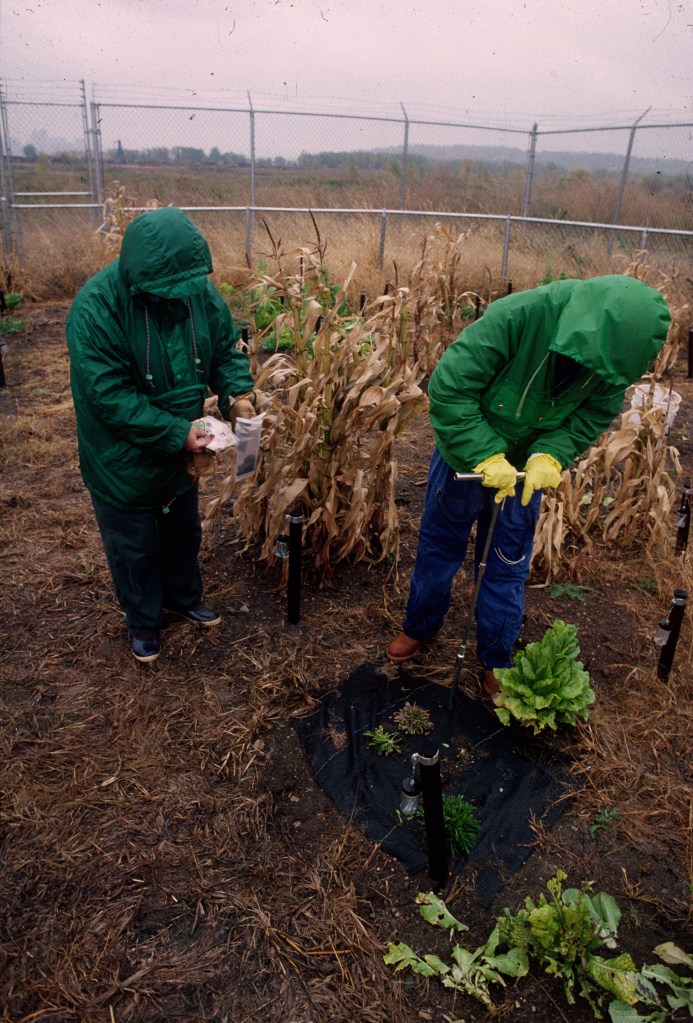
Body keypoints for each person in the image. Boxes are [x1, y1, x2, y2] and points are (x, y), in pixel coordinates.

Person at [387, 274, 671, 692]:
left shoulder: (616, 360)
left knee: (507, 561)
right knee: (439, 546)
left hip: (525, 473)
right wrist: (484, 453)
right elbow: (450, 388)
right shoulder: (518, 316)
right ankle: (420, 626)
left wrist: (551, 454)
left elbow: (590, 416)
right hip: (465, 458)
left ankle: (495, 658)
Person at [67, 206, 256, 663]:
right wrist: (176, 432)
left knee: (181, 532)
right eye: (164, 292)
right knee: (133, 547)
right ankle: (145, 622)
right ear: (137, 279)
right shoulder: (95, 309)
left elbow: (226, 346)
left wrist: (238, 393)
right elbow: (109, 396)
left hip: (181, 448)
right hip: (121, 457)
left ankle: (183, 597)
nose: (179, 298)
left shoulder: (195, 289)